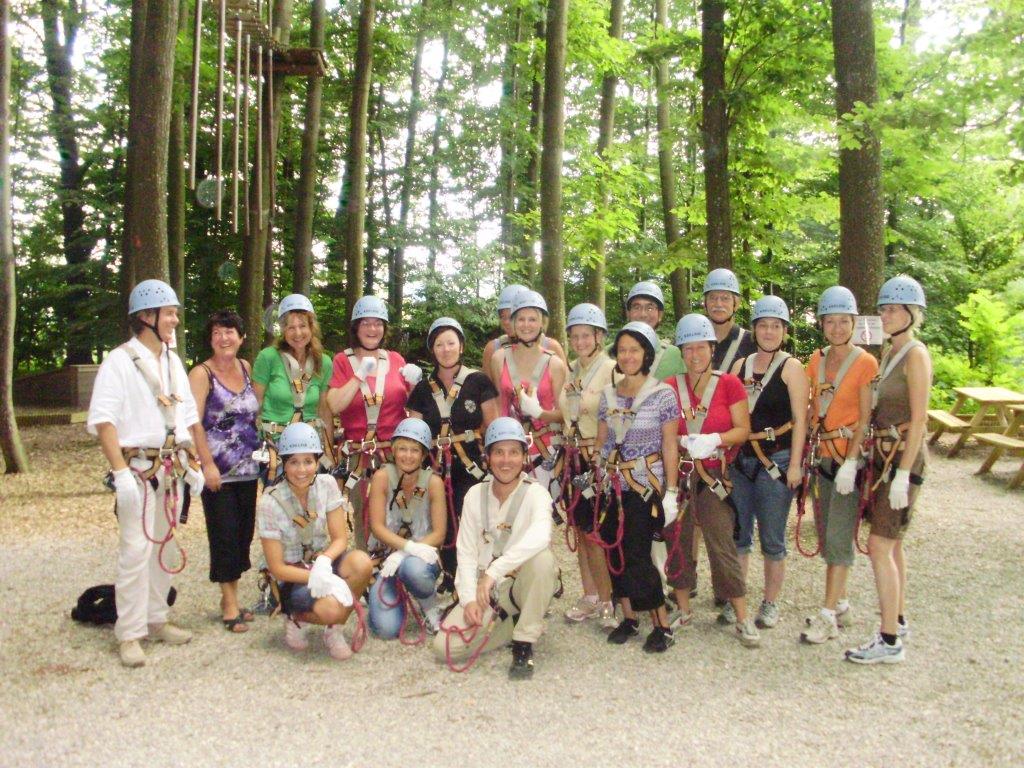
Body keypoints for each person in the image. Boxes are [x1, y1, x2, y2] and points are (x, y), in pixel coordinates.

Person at [87, 279, 204, 667]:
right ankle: (130, 632)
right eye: (169, 313)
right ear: (146, 316)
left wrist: (192, 465)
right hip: (137, 470)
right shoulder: (119, 362)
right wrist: (120, 474)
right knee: (136, 550)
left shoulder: (172, 361)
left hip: (170, 470)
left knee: (162, 548)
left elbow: (185, 417)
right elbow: (105, 422)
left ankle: (156, 618)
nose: (174, 320)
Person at [846, 276, 931, 664]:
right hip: (885, 457)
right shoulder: (890, 354)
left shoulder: (915, 355)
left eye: (894, 309)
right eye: (883, 309)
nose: (886, 315)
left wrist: (903, 473)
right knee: (892, 543)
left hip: (902, 459)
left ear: (912, 314)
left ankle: (889, 639)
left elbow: (920, 417)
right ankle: (896, 618)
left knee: (879, 545)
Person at [432, 417, 559, 679]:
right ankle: (511, 622)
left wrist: (494, 573)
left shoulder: (536, 494)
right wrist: (468, 600)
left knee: (543, 561)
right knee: (445, 649)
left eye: (514, 452)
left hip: (518, 582)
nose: (506, 460)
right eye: (498, 452)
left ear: (524, 456)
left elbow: (541, 536)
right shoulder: (474, 495)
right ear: (487, 457)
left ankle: (524, 642)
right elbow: (465, 552)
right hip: (485, 590)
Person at [663, 314, 759, 647]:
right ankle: (684, 607)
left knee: (721, 541)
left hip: (714, 474)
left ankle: (742, 614)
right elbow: (664, 436)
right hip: (680, 471)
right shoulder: (671, 387)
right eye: (688, 349)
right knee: (677, 537)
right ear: (681, 351)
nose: (694, 355)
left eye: (700, 347)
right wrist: (671, 482)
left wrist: (715, 439)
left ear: (711, 349)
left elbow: (742, 430)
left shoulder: (729, 384)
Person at [800, 286, 879, 646]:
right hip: (822, 457)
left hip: (847, 459)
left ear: (853, 323)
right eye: (830, 321)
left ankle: (828, 614)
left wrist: (851, 461)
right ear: (822, 324)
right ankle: (842, 602)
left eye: (843, 321)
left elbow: (864, 417)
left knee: (837, 537)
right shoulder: (815, 361)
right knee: (827, 529)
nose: (836, 328)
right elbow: (810, 408)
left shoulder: (865, 363)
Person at [595, 322, 680, 653]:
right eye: (623, 350)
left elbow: (670, 444)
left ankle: (662, 624)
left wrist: (671, 491)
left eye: (635, 349)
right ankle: (628, 616)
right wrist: (596, 474)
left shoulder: (662, 394)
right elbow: (603, 441)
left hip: (645, 485)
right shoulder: (608, 394)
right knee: (611, 547)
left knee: (636, 551)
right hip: (612, 483)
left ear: (647, 353)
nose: (628, 356)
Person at [257, 423, 374, 660]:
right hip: (292, 575)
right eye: (294, 462)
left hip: (321, 561)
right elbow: (277, 567)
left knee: (362, 563)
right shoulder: (269, 503)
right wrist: (319, 578)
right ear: (284, 463)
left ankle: (334, 629)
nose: (302, 470)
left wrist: (324, 563)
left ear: (317, 462)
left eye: (308, 461)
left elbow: (340, 538)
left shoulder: (327, 485)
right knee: (332, 607)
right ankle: (296, 617)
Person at [728, 297, 808, 629]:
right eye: (763, 325)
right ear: (754, 329)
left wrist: (795, 466)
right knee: (740, 535)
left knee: (772, 537)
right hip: (742, 460)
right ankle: (738, 599)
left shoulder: (792, 368)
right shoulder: (739, 366)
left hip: (776, 458)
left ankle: (770, 602)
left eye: (776, 326)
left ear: (784, 331)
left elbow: (801, 420)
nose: (769, 331)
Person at [407, 317, 499, 592]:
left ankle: (473, 574)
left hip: (470, 463)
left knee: (469, 516)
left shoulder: (478, 381)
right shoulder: (423, 389)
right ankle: (449, 573)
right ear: (432, 350)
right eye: (439, 344)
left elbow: (492, 424)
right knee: (442, 519)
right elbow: (414, 432)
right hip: (437, 464)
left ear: (460, 346)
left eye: (451, 343)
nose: (445, 349)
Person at [188, 310, 262, 633]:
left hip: (248, 468)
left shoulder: (246, 368)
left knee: (244, 534)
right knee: (224, 534)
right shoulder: (201, 374)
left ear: (241, 337)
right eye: (217, 332)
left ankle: (231, 595)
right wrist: (206, 464)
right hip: (218, 470)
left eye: (230, 331)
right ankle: (229, 603)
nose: (224, 338)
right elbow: (193, 422)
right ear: (210, 338)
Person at [327, 295, 418, 546]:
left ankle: (395, 566)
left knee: (400, 509)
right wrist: (358, 376)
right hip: (360, 452)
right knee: (364, 512)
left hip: (394, 450)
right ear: (356, 327)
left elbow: (412, 405)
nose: (372, 329)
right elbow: (334, 405)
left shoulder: (396, 360)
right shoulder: (342, 361)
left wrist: (415, 385)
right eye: (365, 323)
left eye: (377, 323)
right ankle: (365, 567)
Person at [556, 304, 618, 628]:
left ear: (598, 336)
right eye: (574, 336)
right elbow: (565, 413)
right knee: (581, 525)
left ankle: (608, 599)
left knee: (596, 527)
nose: (579, 341)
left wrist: (603, 456)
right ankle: (590, 594)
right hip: (575, 459)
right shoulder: (572, 372)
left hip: (596, 461)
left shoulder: (610, 369)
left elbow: (618, 416)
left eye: (585, 335)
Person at [365, 418, 447, 640]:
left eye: (414, 450)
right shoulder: (382, 478)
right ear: (393, 450)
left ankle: (429, 606)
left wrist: (405, 551)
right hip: (385, 560)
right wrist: (402, 550)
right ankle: (388, 596)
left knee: (412, 570)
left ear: (423, 454)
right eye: (402, 449)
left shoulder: (433, 482)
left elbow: (439, 533)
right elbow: (377, 527)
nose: (408, 456)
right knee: (386, 630)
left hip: (420, 559)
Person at [252, 294, 335, 482]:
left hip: (311, 447)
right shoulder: (268, 358)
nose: (298, 333)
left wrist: (329, 452)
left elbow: (324, 410)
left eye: (303, 326)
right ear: (283, 330)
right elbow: (254, 403)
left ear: (311, 327)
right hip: (277, 445)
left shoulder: (324, 362)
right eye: (291, 327)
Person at [489, 290, 567, 489]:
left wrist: (540, 413)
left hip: (546, 448)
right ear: (513, 323)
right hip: (510, 449)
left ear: (542, 323)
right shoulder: (499, 358)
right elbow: (499, 407)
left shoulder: (554, 364)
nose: (526, 325)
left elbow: (565, 415)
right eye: (521, 319)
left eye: (532, 319)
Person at [482, 284, 568, 384]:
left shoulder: (551, 347)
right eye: (502, 317)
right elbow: (487, 391)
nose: (506, 322)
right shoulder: (493, 349)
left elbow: (564, 387)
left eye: (510, 316)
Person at [622, 281, 686, 379]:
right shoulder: (610, 353)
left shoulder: (673, 356)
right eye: (637, 307)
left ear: (660, 315)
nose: (643, 314)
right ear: (628, 313)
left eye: (650, 308)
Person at [703, 268, 757, 372]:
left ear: (735, 304)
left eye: (725, 298)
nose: (718, 304)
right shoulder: (694, 342)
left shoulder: (751, 343)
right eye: (713, 298)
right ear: (705, 303)